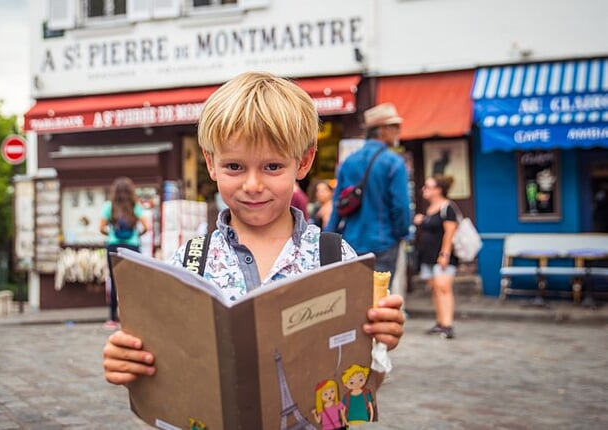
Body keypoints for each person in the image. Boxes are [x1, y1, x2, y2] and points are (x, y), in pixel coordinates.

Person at [103, 71, 405, 386]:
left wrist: (380, 342)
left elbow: (361, 385)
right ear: (210, 162)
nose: (252, 185)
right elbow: (166, 367)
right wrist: (130, 363)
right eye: (234, 167)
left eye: (272, 167)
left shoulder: (335, 257)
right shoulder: (189, 263)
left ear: (303, 162)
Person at [327, 102, 411, 280]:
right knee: (378, 298)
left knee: (354, 298)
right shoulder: (393, 162)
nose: (399, 131)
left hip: (351, 243)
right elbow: (401, 207)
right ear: (381, 130)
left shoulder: (348, 162)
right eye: (394, 126)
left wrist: (327, 239)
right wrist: (401, 234)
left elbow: (337, 206)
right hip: (383, 243)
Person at [99, 176, 150, 329]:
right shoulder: (135, 206)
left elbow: (101, 227)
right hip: (132, 247)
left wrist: (111, 234)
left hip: (114, 247)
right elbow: (146, 226)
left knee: (114, 282)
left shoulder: (109, 206)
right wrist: (137, 235)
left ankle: (112, 318)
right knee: (132, 282)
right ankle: (131, 317)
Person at [413, 174, 458, 339]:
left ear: (438, 190)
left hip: (442, 256)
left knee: (443, 288)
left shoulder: (448, 207)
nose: (424, 190)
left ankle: (448, 324)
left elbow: (450, 232)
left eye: (428, 187)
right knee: (435, 290)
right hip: (428, 256)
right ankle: (440, 322)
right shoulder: (429, 208)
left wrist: (445, 253)